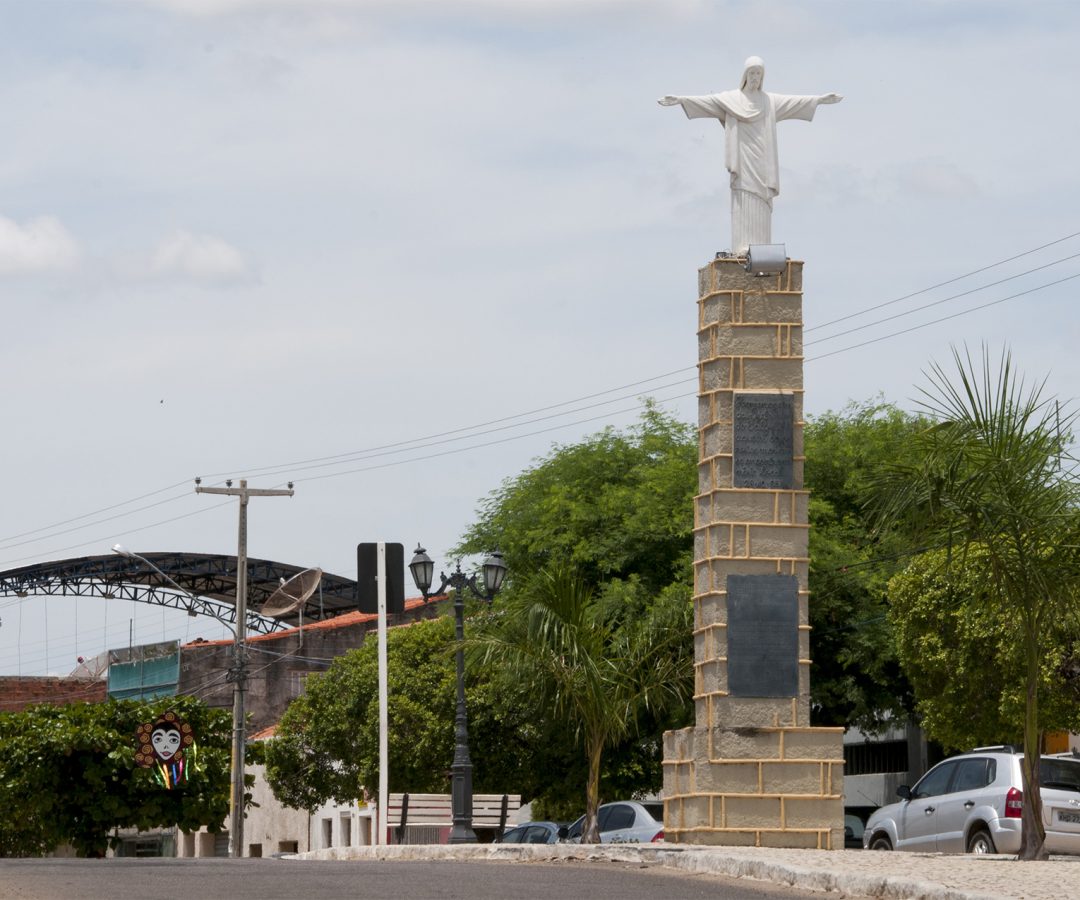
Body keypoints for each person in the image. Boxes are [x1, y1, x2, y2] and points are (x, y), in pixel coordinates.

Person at [659, 56, 841, 255]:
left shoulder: (769, 101)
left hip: (763, 156)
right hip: (742, 157)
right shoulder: (731, 100)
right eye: (752, 73)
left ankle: (761, 247)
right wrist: (680, 100)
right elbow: (707, 102)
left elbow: (794, 103)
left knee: (762, 196)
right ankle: (741, 247)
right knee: (742, 194)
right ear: (745, 75)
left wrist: (820, 100)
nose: (755, 77)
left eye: (758, 74)